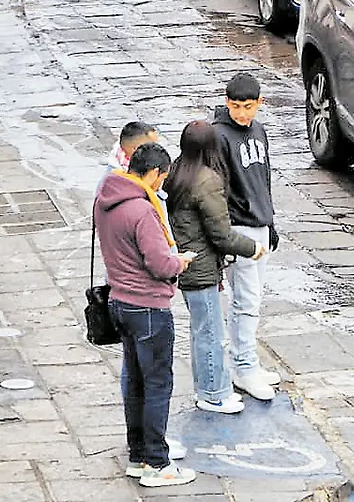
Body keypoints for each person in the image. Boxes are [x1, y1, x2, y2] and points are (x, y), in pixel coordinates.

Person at [95, 143, 197, 487]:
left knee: (135, 383)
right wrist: (179, 262)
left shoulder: (105, 199)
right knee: (157, 385)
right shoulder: (141, 210)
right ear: (153, 173)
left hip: (119, 303)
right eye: (162, 178)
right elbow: (159, 263)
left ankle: (138, 454)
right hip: (149, 309)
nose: (161, 186)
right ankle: (157, 463)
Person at [166, 121, 268, 415]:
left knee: (201, 330)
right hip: (201, 266)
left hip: (187, 263)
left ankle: (208, 388)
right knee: (210, 333)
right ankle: (213, 393)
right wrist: (252, 248)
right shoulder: (207, 180)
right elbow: (221, 234)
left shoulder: (177, 171)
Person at [212, 72, 280, 402]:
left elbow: (263, 177)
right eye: (236, 106)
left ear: (259, 104)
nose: (242, 113)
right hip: (239, 226)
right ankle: (244, 366)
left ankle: (247, 359)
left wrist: (271, 222)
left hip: (260, 223)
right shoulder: (218, 136)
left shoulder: (259, 131)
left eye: (248, 106)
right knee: (246, 299)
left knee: (254, 298)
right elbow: (218, 189)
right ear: (227, 103)